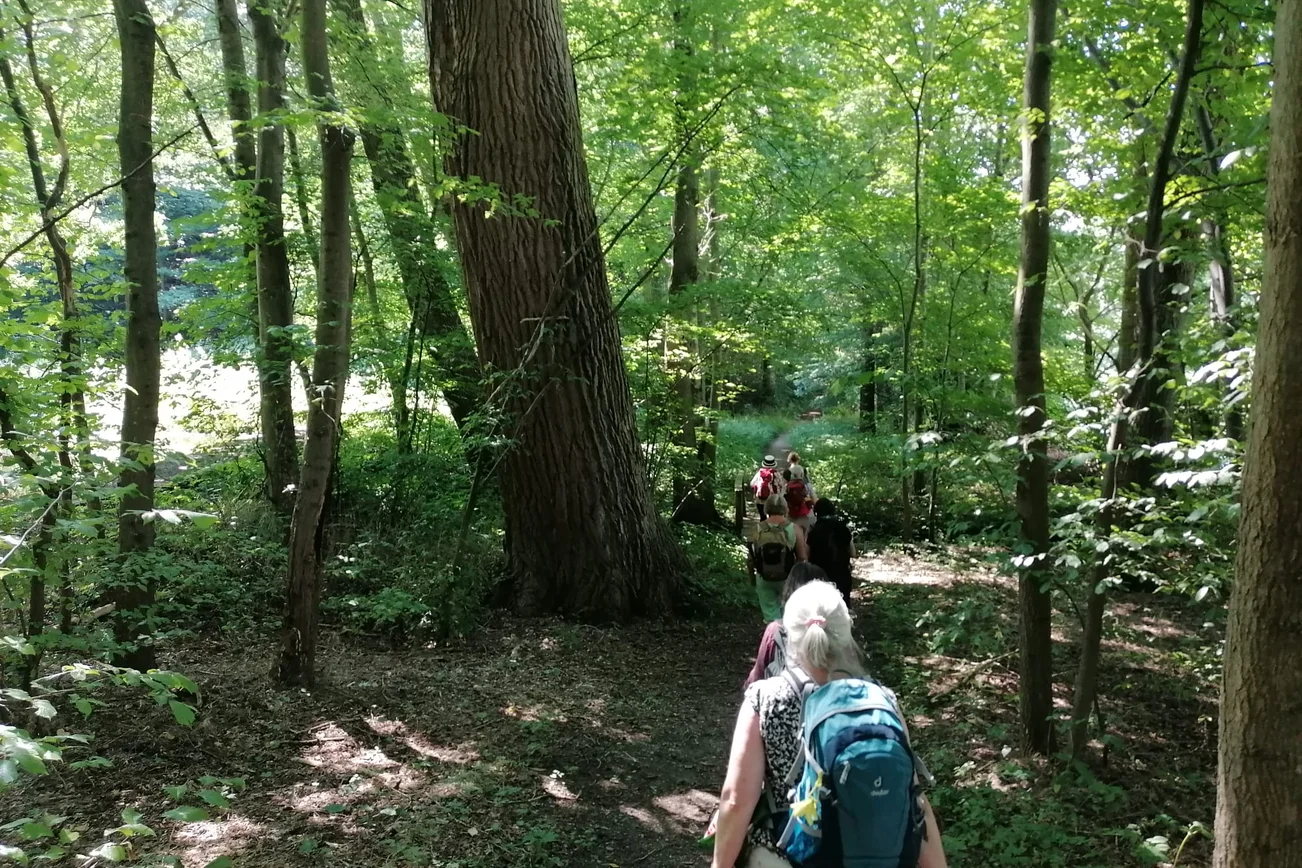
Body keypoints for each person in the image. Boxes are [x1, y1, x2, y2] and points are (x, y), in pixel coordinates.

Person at [710, 582, 948, 868]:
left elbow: (736, 801)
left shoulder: (765, 698)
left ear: (789, 634)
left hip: (788, 857)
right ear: (846, 633)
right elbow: (914, 801)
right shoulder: (880, 701)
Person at [743, 563, 827, 690]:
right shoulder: (835, 629)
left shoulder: (776, 629)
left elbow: (756, 678)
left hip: (783, 697)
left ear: (789, 592)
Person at [748, 496, 808, 621]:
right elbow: (802, 557)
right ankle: (786, 632)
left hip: (764, 576)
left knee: (770, 614)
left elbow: (752, 557)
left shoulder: (758, 529)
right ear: (785, 508)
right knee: (789, 613)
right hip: (788, 576)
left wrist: (752, 577)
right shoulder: (794, 528)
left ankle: (773, 631)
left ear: (766, 508)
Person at [806, 499, 855, 605]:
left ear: (816, 513)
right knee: (843, 605)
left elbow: (807, 554)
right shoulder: (843, 527)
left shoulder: (814, 530)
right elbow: (853, 553)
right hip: (842, 573)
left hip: (819, 576)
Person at [749, 456, 783, 520]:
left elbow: (752, 484)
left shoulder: (759, 473)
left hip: (760, 499)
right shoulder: (776, 473)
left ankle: (763, 524)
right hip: (773, 500)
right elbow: (781, 484)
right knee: (772, 517)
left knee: (762, 517)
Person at [783, 464, 815, 532]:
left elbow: (782, 500)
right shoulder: (807, 485)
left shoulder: (786, 486)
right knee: (805, 534)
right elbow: (814, 499)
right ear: (801, 474)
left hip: (791, 515)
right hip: (805, 515)